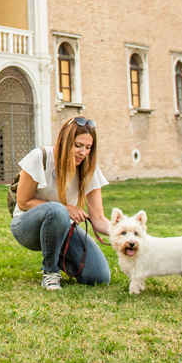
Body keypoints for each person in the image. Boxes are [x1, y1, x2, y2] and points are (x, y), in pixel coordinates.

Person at [10, 116, 112, 291]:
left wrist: (128, 232)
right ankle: (50, 272)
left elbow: (99, 218)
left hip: (64, 227)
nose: (83, 152)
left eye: (88, 147)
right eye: (78, 145)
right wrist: (66, 209)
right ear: (65, 141)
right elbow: (24, 202)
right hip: (27, 226)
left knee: (99, 277)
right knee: (57, 210)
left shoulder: (89, 167)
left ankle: (60, 255)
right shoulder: (40, 156)